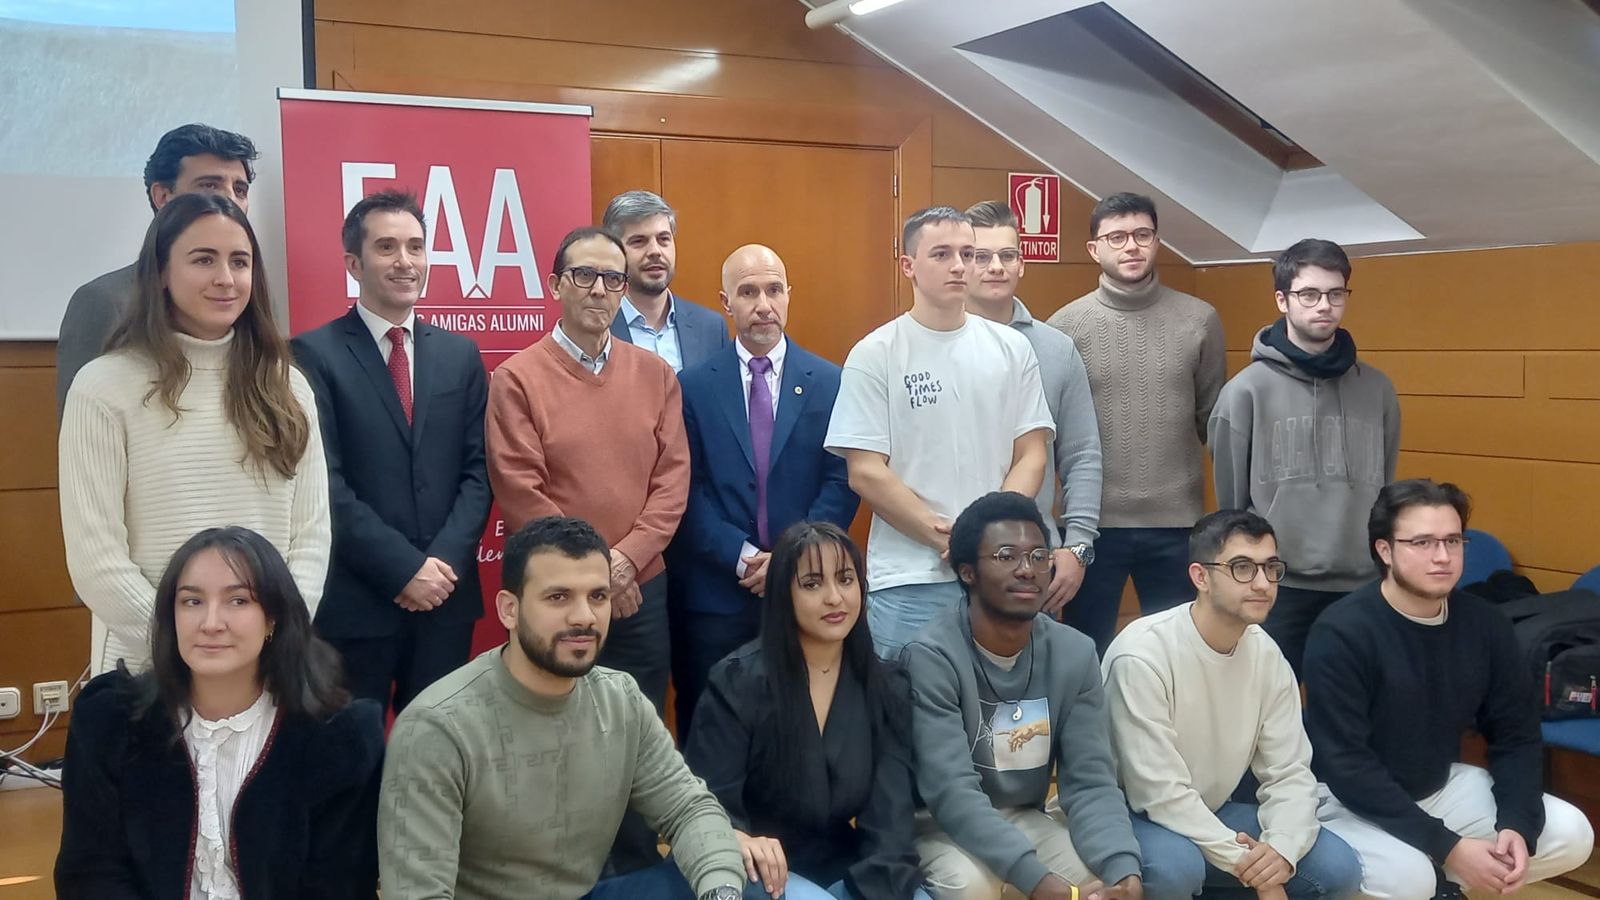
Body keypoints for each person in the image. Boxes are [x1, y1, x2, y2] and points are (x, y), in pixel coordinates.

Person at [377, 515, 747, 900]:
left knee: (749, 881)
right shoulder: (436, 728)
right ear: (508, 610)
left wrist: (721, 891)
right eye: (558, 597)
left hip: (592, 894)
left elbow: (688, 809)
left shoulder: (620, 699)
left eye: (598, 596)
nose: (584, 617)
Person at [484, 225, 690, 872]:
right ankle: (557, 867)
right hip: (559, 598)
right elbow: (521, 490)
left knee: (636, 731)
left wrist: (627, 561)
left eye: (613, 279)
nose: (600, 290)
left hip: (642, 591)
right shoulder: (518, 378)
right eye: (585, 276)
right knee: (557, 726)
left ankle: (631, 866)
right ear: (555, 285)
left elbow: (672, 479)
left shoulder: (655, 375)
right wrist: (598, 576)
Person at [59, 192, 330, 676]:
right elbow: (96, 559)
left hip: (265, 669)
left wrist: (270, 638)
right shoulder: (103, 387)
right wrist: (187, 645)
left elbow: (310, 538)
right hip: (147, 671)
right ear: (161, 272)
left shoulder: (287, 385)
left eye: (240, 262)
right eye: (204, 260)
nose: (226, 279)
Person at [56, 526, 385, 899]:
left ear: (273, 619)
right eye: (192, 602)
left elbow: (337, 887)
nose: (211, 623)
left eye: (238, 601)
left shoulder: (338, 737)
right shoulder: (110, 720)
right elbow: (90, 873)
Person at [1305, 480, 1595, 899]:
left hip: (1436, 786)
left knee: (1570, 833)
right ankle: (1434, 880)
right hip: (1343, 802)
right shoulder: (1341, 632)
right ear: (1384, 551)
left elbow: (1516, 735)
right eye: (1421, 542)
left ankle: (1444, 884)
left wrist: (1516, 824)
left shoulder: (1485, 623)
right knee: (1411, 881)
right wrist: (1450, 848)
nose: (1442, 556)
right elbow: (1348, 767)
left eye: (1452, 540)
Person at [291, 189, 492, 714]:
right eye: (387, 248)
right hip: (358, 603)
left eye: (416, 247)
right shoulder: (313, 354)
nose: (405, 262)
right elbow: (324, 484)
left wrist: (440, 564)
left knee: (440, 757)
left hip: (446, 600)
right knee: (353, 764)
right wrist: (403, 569)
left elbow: (479, 472)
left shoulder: (460, 355)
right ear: (354, 263)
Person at [827, 207, 1053, 658]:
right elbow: (866, 471)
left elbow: (1031, 454)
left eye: (967, 254)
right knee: (907, 714)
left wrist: (992, 540)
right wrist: (950, 540)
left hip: (1001, 571)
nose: (959, 266)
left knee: (1000, 715)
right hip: (911, 579)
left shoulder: (1012, 348)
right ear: (908, 265)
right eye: (942, 253)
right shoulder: (876, 353)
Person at [1103, 510, 1361, 900]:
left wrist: (1281, 850)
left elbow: (1289, 773)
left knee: (1337, 867)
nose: (1262, 583)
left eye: (1271, 567)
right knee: (1178, 869)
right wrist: (1255, 870)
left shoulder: (1267, 655)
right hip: (1128, 815)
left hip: (1207, 811)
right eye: (1242, 567)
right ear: (1200, 576)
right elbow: (1158, 794)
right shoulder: (1142, 655)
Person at [903, 491, 1143, 900]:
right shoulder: (930, 657)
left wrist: (1125, 873)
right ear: (967, 572)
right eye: (1006, 556)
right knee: (973, 888)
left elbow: (1090, 782)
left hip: (1022, 817)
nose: (1027, 569)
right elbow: (952, 793)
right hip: (936, 825)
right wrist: (1045, 887)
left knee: (1099, 881)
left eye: (1038, 556)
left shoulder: (1075, 652)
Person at [671, 244, 859, 736]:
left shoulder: (830, 382)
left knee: (799, 724)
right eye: (748, 292)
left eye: (774, 290)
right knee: (713, 725)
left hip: (807, 585)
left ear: (789, 295)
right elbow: (685, 490)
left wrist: (792, 557)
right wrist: (743, 557)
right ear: (725, 301)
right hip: (717, 592)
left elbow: (841, 481)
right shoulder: (692, 386)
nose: (763, 304)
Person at [686, 521, 927, 900]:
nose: (835, 598)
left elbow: (889, 823)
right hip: (753, 865)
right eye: (812, 584)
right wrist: (739, 839)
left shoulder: (886, 685)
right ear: (784, 594)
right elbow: (709, 805)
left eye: (846, 579)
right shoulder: (737, 682)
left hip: (841, 859)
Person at [1209, 239, 1399, 676]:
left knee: (1358, 711)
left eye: (1336, 294)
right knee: (1268, 715)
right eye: (1309, 294)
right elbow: (1233, 510)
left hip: (1361, 582)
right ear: (1283, 300)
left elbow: (1385, 490)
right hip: (1277, 586)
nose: (1324, 306)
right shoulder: (1245, 392)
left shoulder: (1378, 389)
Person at [1047, 192, 1226, 655]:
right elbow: (1050, 435)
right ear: (1094, 249)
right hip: (1091, 526)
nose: (1131, 246)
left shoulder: (1199, 319)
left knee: (1177, 653)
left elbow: (1214, 423)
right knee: (1085, 652)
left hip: (1178, 522)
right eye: (1117, 237)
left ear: (1157, 241)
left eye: (1142, 235)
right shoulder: (1065, 325)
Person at [58, 123, 259, 419]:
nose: (229, 200)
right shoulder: (105, 301)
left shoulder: (244, 294)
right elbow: (80, 427)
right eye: (210, 185)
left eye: (239, 189)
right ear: (163, 196)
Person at [964, 200, 1102, 617]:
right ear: (960, 264)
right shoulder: (927, 346)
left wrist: (1077, 544)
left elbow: (1082, 455)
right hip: (946, 553)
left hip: (1031, 559)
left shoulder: (1055, 349)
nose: (996, 267)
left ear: (1022, 264)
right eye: (980, 256)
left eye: (1007, 256)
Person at [602, 190, 732, 371]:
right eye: (639, 241)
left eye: (663, 239)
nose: (655, 251)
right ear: (614, 251)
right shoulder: (598, 326)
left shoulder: (710, 328)